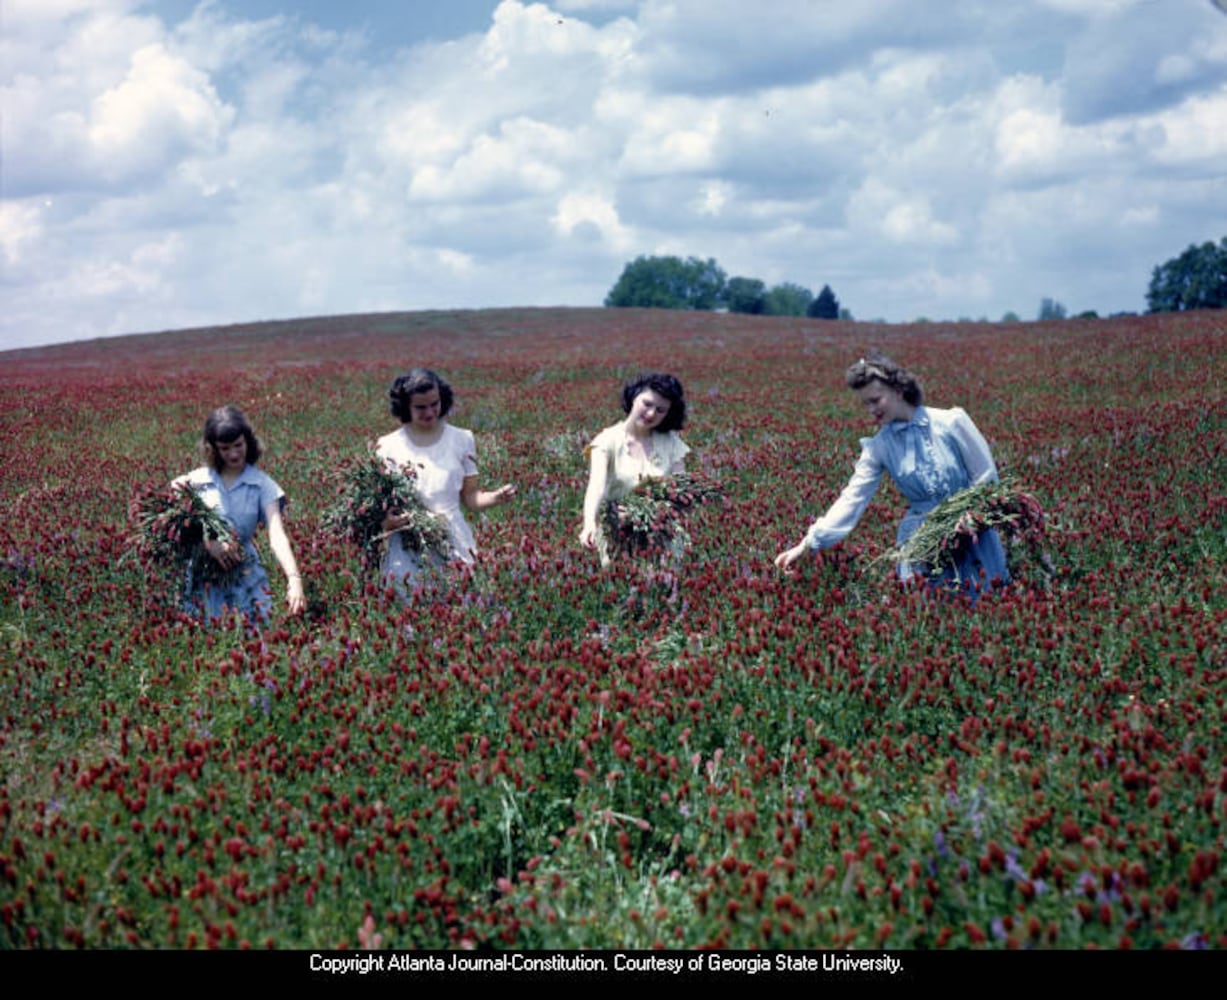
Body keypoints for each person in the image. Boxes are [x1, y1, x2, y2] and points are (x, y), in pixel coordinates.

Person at [774, 353, 1009, 598]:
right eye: (865, 404)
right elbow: (852, 498)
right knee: (929, 614)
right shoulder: (880, 446)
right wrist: (809, 544)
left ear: (898, 390)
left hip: (973, 536)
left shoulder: (951, 422)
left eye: (875, 400)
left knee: (982, 605)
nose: (871, 410)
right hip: (922, 543)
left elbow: (987, 477)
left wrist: (971, 517)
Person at [376, 367, 516, 595]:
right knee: (410, 607)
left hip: (454, 539)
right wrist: (388, 523)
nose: (430, 412)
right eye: (420, 407)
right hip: (407, 543)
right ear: (405, 407)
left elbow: (471, 498)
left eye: (435, 403)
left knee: (461, 604)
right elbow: (380, 509)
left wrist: (496, 497)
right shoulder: (387, 446)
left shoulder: (462, 439)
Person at [173, 405, 305, 622]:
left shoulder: (263, 485)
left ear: (248, 442)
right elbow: (174, 521)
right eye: (225, 448)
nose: (233, 454)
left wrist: (294, 578)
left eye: (238, 445)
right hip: (203, 579)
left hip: (245, 573)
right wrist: (207, 542)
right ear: (212, 448)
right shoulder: (195, 483)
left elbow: (277, 536)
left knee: (252, 635)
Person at [579, 372, 690, 566]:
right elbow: (596, 487)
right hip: (617, 536)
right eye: (647, 404)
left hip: (664, 539)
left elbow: (681, 494)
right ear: (633, 398)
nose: (651, 414)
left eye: (660, 410)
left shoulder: (672, 443)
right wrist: (589, 522)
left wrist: (651, 512)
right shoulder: (606, 441)